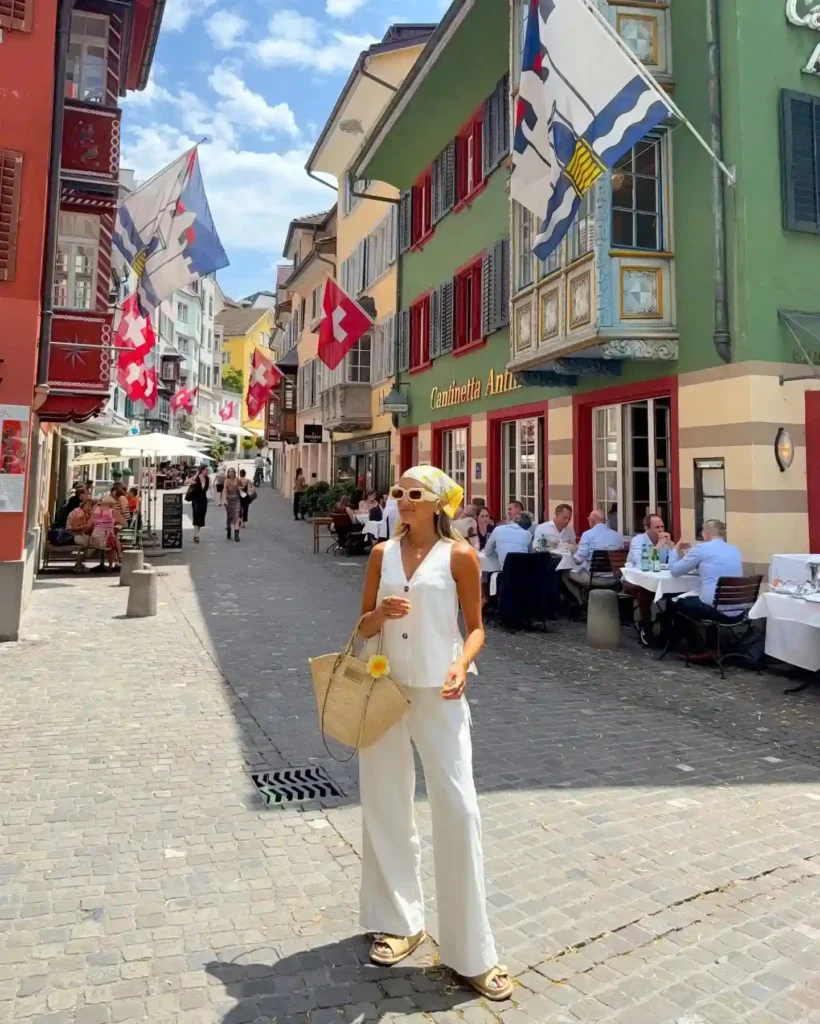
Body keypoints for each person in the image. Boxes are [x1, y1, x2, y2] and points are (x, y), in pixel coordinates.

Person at [356, 466, 512, 1003]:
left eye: (413, 494)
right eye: (398, 493)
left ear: (439, 503)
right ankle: (399, 920)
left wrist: (461, 665)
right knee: (384, 801)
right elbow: (362, 626)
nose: (402, 501)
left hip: (439, 693)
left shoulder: (460, 557)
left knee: (459, 807)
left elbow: (476, 628)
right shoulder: (381, 554)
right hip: (383, 687)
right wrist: (379, 613)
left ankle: (471, 951)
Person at [668, 519, 746, 618]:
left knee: (673, 602)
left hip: (714, 608)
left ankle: (682, 632)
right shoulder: (735, 549)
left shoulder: (702, 548)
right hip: (738, 609)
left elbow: (675, 571)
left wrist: (675, 549)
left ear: (707, 533)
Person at [622, 513, 672, 645]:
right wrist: (658, 547)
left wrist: (672, 546)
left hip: (656, 578)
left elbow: (673, 562)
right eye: (657, 527)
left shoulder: (665, 541)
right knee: (645, 589)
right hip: (632, 580)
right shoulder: (638, 540)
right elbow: (641, 563)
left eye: (662, 526)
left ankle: (669, 627)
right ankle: (645, 625)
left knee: (675, 593)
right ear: (647, 528)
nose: (661, 530)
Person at [565, 509, 623, 603]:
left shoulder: (588, 534)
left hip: (594, 577)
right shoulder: (617, 535)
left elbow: (578, 560)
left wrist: (572, 552)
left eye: (589, 519)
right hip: (614, 578)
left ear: (592, 521)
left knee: (565, 573)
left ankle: (582, 602)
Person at [90, 494, 123, 569]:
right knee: (113, 542)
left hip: (96, 537)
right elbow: (119, 523)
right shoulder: (112, 512)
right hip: (103, 537)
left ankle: (117, 559)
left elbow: (92, 523)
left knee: (113, 540)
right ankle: (116, 560)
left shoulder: (96, 510)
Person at [66, 496, 95, 572]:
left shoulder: (84, 513)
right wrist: (88, 523)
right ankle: (79, 564)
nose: (90, 508)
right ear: (83, 504)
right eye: (88, 506)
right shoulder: (79, 513)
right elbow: (74, 528)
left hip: (77, 534)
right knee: (93, 544)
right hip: (72, 535)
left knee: (92, 542)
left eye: (91, 507)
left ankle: (80, 563)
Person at [187, 465, 211, 543]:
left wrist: (212, 496)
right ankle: (196, 535)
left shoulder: (208, 478)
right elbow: (186, 481)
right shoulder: (196, 477)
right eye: (206, 470)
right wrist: (192, 482)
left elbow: (210, 487)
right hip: (196, 499)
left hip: (204, 500)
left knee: (201, 516)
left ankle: (197, 533)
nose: (207, 471)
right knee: (196, 516)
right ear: (202, 470)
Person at [221, 467, 242, 541]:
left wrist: (240, 488)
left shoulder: (238, 480)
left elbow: (241, 489)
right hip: (228, 501)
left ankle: (236, 535)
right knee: (229, 517)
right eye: (229, 472)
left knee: (236, 517)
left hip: (237, 500)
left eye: (232, 471)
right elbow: (224, 490)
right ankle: (228, 529)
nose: (230, 473)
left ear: (234, 473)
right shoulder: (226, 480)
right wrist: (224, 499)